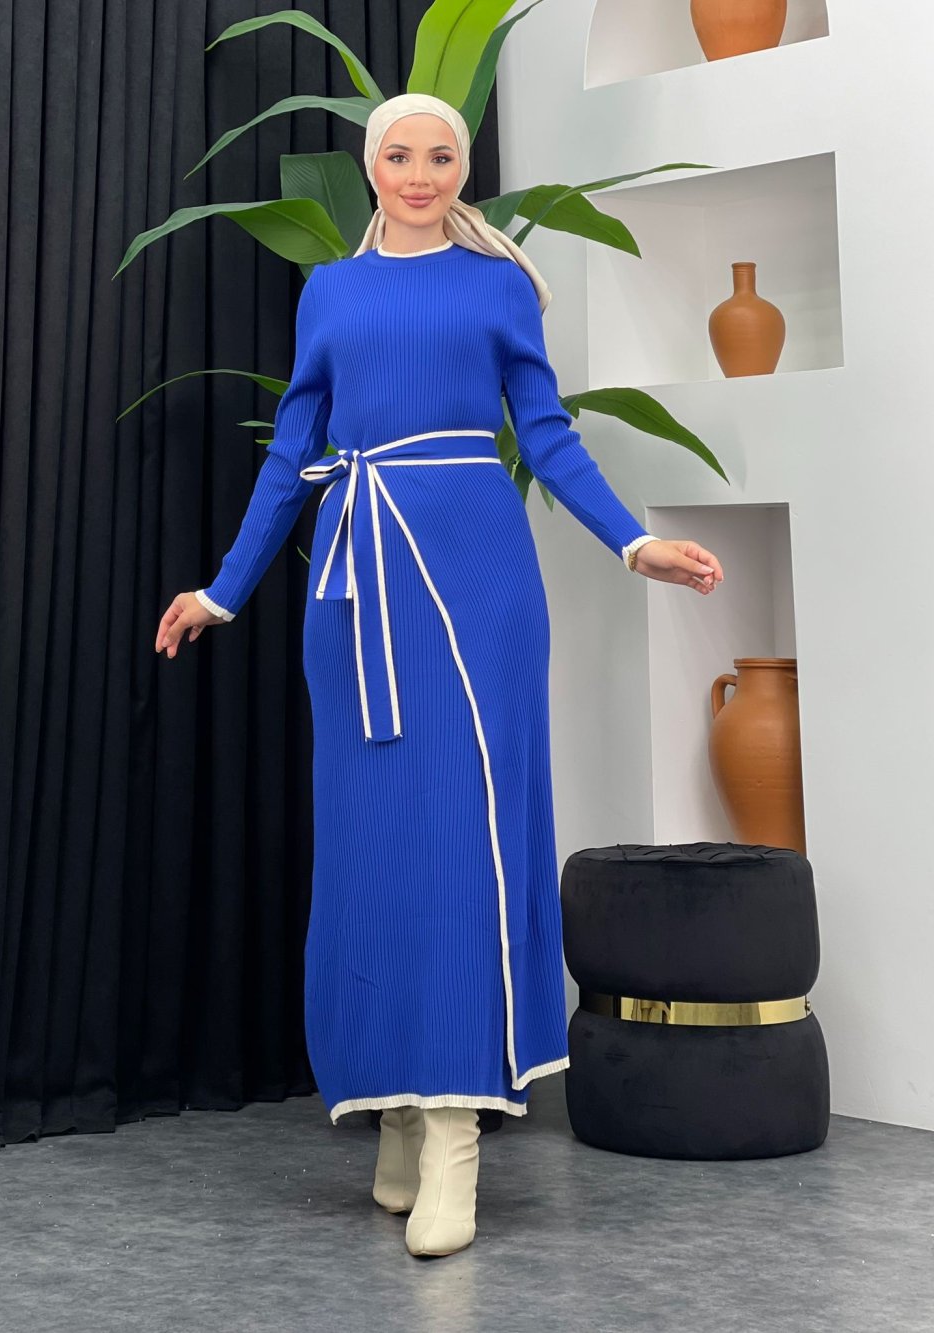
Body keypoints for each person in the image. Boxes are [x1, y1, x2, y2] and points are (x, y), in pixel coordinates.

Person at [155, 92, 724, 1258]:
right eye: (400, 155)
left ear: (463, 169)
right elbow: (293, 455)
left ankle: (457, 1131)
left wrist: (632, 543)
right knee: (375, 853)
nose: (420, 174)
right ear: (372, 167)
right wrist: (223, 590)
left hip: (477, 577)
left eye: (442, 156)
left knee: (467, 840)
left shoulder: (497, 286)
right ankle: (399, 1107)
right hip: (356, 591)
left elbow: (547, 433)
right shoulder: (331, 292)